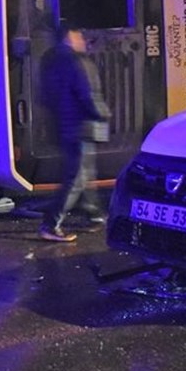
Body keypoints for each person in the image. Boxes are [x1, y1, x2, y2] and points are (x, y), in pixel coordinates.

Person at [38, 26, 111, 242]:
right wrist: (104, 113)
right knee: (76, 179)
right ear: (70, 37)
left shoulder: (50, 62)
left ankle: (95, 215)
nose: (83, 39)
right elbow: (89, 96)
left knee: (85, 174)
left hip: (65, 126)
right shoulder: (79, 62)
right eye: (79, 35)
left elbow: (46, 97)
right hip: (82, 126)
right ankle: (51, 224)